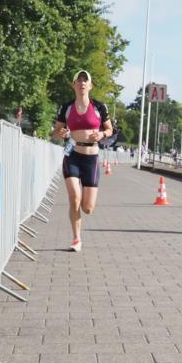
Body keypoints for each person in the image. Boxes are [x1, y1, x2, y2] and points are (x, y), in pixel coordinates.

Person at [54, 70, 113, 252]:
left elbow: (110, 130)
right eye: (78, 81)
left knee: (87, 208)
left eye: (85, 80)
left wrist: (102, 133)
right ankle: (76, 238)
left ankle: (80, 226)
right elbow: (56, 133)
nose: (82, 83)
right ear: (73, 85)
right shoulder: (66, 108)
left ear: (90, 85)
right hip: (72, 154)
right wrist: (61, 133)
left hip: (91, 158)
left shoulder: (99, 107)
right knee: (74, 198)